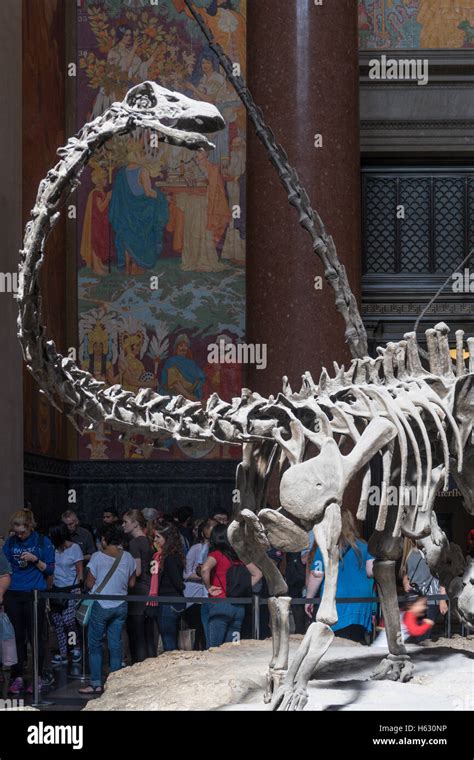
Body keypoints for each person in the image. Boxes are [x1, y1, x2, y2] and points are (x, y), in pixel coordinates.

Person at [2, 509, 55, 695]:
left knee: (36, 637)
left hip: (34, 593)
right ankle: (16, 676)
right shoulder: (10, 542)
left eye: (22, 531)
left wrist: (35, 560)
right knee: (16, 637)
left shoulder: (42, 542)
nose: (19, 534)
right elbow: (4, 567)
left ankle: (38, 677)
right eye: (16, 531)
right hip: (13, 593)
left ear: (30, 526)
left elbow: (49, 570)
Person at [79, 525, 136, 696]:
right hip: (120, 606)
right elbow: (132, 583)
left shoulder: (97, 557)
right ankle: (115, 683)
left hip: (101, 606)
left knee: (95, 644)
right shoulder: (128, 557)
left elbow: (90, 583)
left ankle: (96, 684)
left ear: (104, 539)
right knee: (115, 644)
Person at [305, 510, 376, 644]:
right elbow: (370, 571)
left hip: (337, 601)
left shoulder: (325, 546)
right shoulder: (364, 545)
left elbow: (317, 574)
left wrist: (308, 599)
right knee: (357, 642)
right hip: (361, 601)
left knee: (337, 645)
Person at [201, 524, 262, 647]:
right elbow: (258, 574)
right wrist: (243, 587)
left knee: (214, 648)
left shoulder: (216, 554)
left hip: (219, 603)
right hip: (238, 607)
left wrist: (209, 587)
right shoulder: (239, 556)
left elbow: (204, 569)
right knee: (232, 650)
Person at [49, 523, 83, 666]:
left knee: (69, 621)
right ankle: (62, 652)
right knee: (57, 622)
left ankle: (75, 648)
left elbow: (79, 569)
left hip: (72, 588)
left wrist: (80, 589)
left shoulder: (75, 548)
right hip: (56, 588)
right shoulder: (52, 549)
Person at [122, 510, 155, 662]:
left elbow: (138, 570)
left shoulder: (135, 543)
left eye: (125, 522)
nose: (123, 525)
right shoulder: (149, 540)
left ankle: (139, 667)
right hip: (150, 588)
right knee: (148, 634)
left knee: (137, 634)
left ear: (135, 523)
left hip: (139, 590)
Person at [149, 522, 185, 652]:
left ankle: (173, 671)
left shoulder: (168, 558)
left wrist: (182, 586)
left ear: (167, 538)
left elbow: (177, 581)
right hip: (174, 602)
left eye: (158, 537)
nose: (155, 540)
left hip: (168, 603)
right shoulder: (172, 555)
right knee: (170, 642)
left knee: (168, 644)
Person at [401, 539, 448, 639]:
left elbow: (442, 573)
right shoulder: (409, 550)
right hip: (414, 598)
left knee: (423, 635)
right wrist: (405, 581)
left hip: (431, 596)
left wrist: (442, 598)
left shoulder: (432, 549)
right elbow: (405, 571)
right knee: (412, 635)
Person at [183, 518, 217, 649]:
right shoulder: (196, 548)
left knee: (205, 631)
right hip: (195, 596)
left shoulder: (214, 549)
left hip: (207, 595)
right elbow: (186, 574)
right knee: (199, 630)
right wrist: (204, 577)